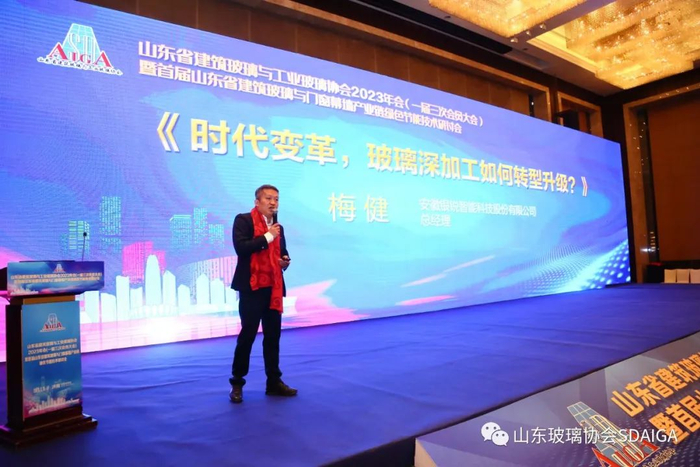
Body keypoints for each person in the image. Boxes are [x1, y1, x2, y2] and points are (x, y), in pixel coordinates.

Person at [228, 184, 297, 403]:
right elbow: (242, 248)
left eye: (276, 199)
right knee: (248, 336)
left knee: (273, 337)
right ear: (257, 202)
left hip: (273, 288)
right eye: (268, 198)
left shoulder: (278, 228)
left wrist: (284, 261)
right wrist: (268, 236)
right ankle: (237, 383)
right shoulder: (243, 220)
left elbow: (282, 252)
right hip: (252, 287)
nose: (273, 202)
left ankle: (273, 382)